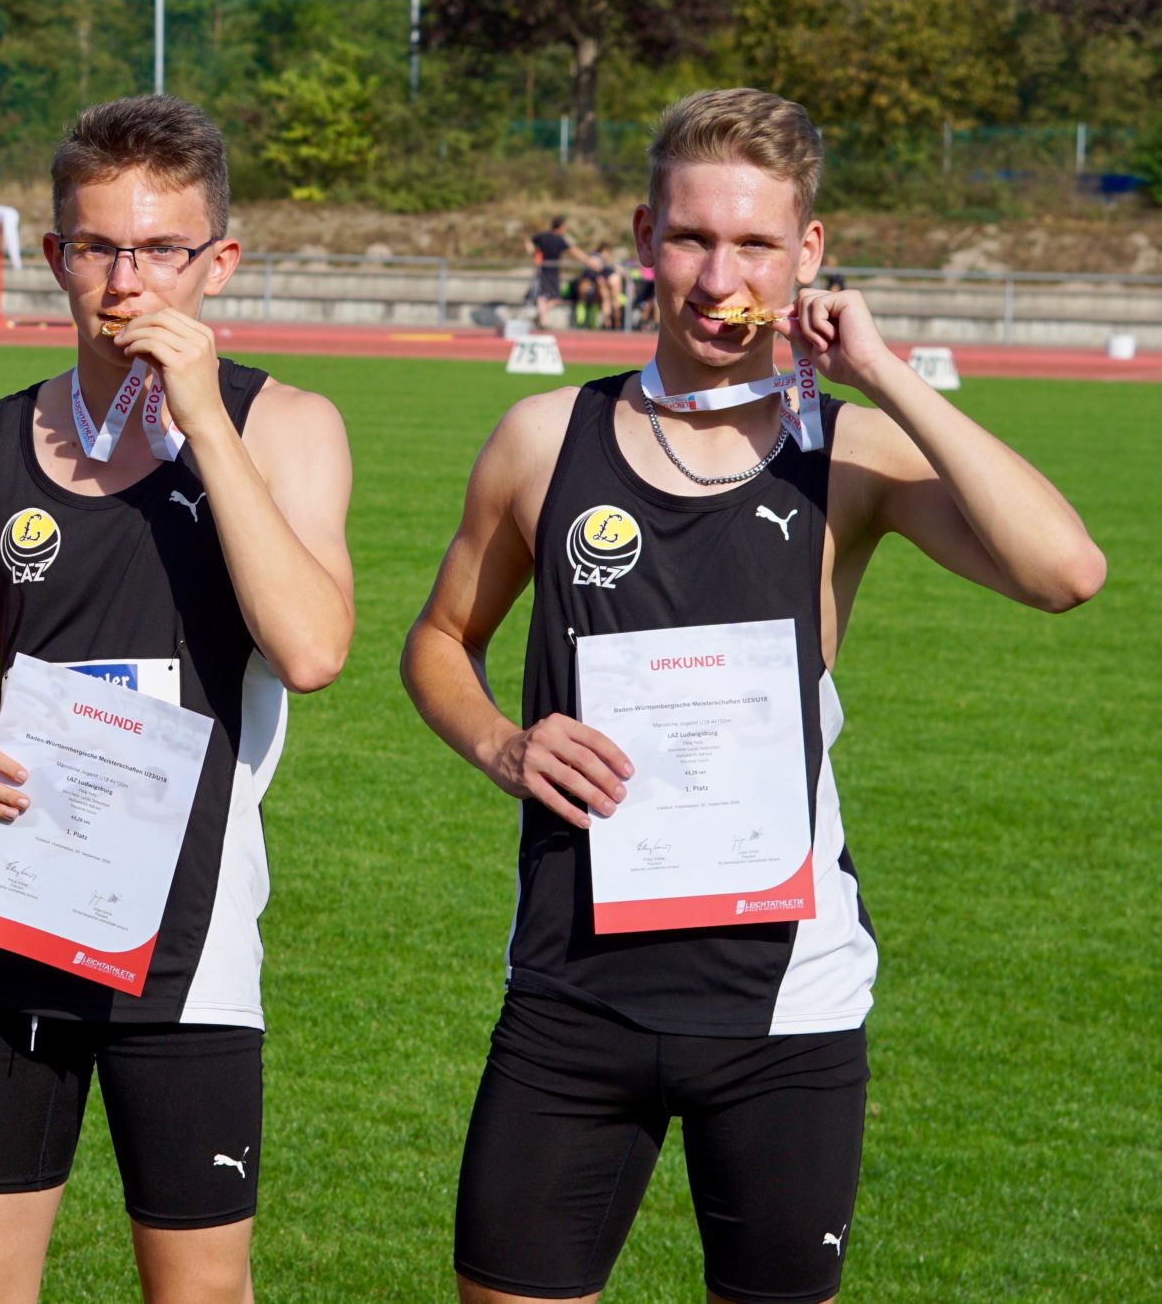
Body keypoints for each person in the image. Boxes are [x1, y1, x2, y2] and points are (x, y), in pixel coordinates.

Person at [401, 88, 1106, 1304]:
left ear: (807, 256)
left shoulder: (844, 451)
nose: (718, 276)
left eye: (756, 245)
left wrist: (881, 371)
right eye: (690, 237)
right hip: (573, 990)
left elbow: (1064, 573)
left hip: (786, 1008)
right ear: (641, 238)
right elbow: (438, 640)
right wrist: (503, 747)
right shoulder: (540, 439)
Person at [0, 95, 355, 1304]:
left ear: (218, 261)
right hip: (7, 919)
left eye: (161, 250)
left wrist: (198, 418)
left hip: (191, 950)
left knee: (198, 1294)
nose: (127, 280)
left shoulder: (286, 428)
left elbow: (309, 649)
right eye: (98, 247)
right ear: (55, 255)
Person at [527, 215, 586, 329]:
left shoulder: (544, 236)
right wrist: (587, 260)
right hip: (545, 270)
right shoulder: (557, 238)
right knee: (544, 296)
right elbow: (574, 251)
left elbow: (529, 241)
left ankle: (540, 316)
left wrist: (532, 252)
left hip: (551, 270)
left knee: (553, 298)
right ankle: (544, 321)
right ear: (561, 227)